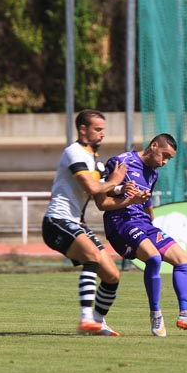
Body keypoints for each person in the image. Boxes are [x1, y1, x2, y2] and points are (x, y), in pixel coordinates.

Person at [42, 109, 150, 336]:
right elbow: (92, 187)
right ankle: (86, 319)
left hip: (76, 223)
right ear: (83, 129)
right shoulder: (74, 152)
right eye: (98, 129)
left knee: (112, 275)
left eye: (103, 130)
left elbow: (103, 197)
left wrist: (124, 192)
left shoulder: (93, 159)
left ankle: (98, 322)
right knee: (91, 256)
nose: (102, 134)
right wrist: (115, 180)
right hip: (57, 221)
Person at [98, 133, 187, 337]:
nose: (165, 162)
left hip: (143, 223)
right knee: (154, 258)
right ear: (154, 145)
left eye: (169, 159)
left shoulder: (153, 173)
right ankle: (155, 314)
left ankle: (186, 314)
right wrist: (125, 193)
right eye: (165, 155)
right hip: (120, 222)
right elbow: (103, 198)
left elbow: (146, 201)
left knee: (183, 260)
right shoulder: (121, 162)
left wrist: (152, 222)